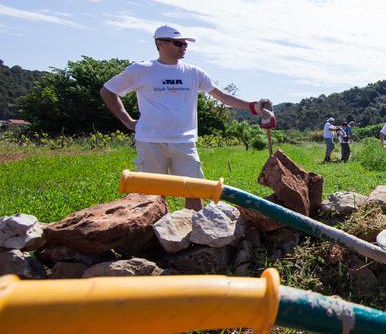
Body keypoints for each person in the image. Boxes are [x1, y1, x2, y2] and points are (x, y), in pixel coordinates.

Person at [100, 25, 275, 211]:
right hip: (151, 142)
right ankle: (155, 234)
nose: (183, 47)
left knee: (194, 191)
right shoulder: (141, 70)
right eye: (178, 43)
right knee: (151, 195)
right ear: (160, 43)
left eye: (185, 43)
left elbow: (223, 96)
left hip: (184, 142)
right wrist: (127, 121)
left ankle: (195, 233)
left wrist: (253, 106)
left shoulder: (193, 72)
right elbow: (108, 91)